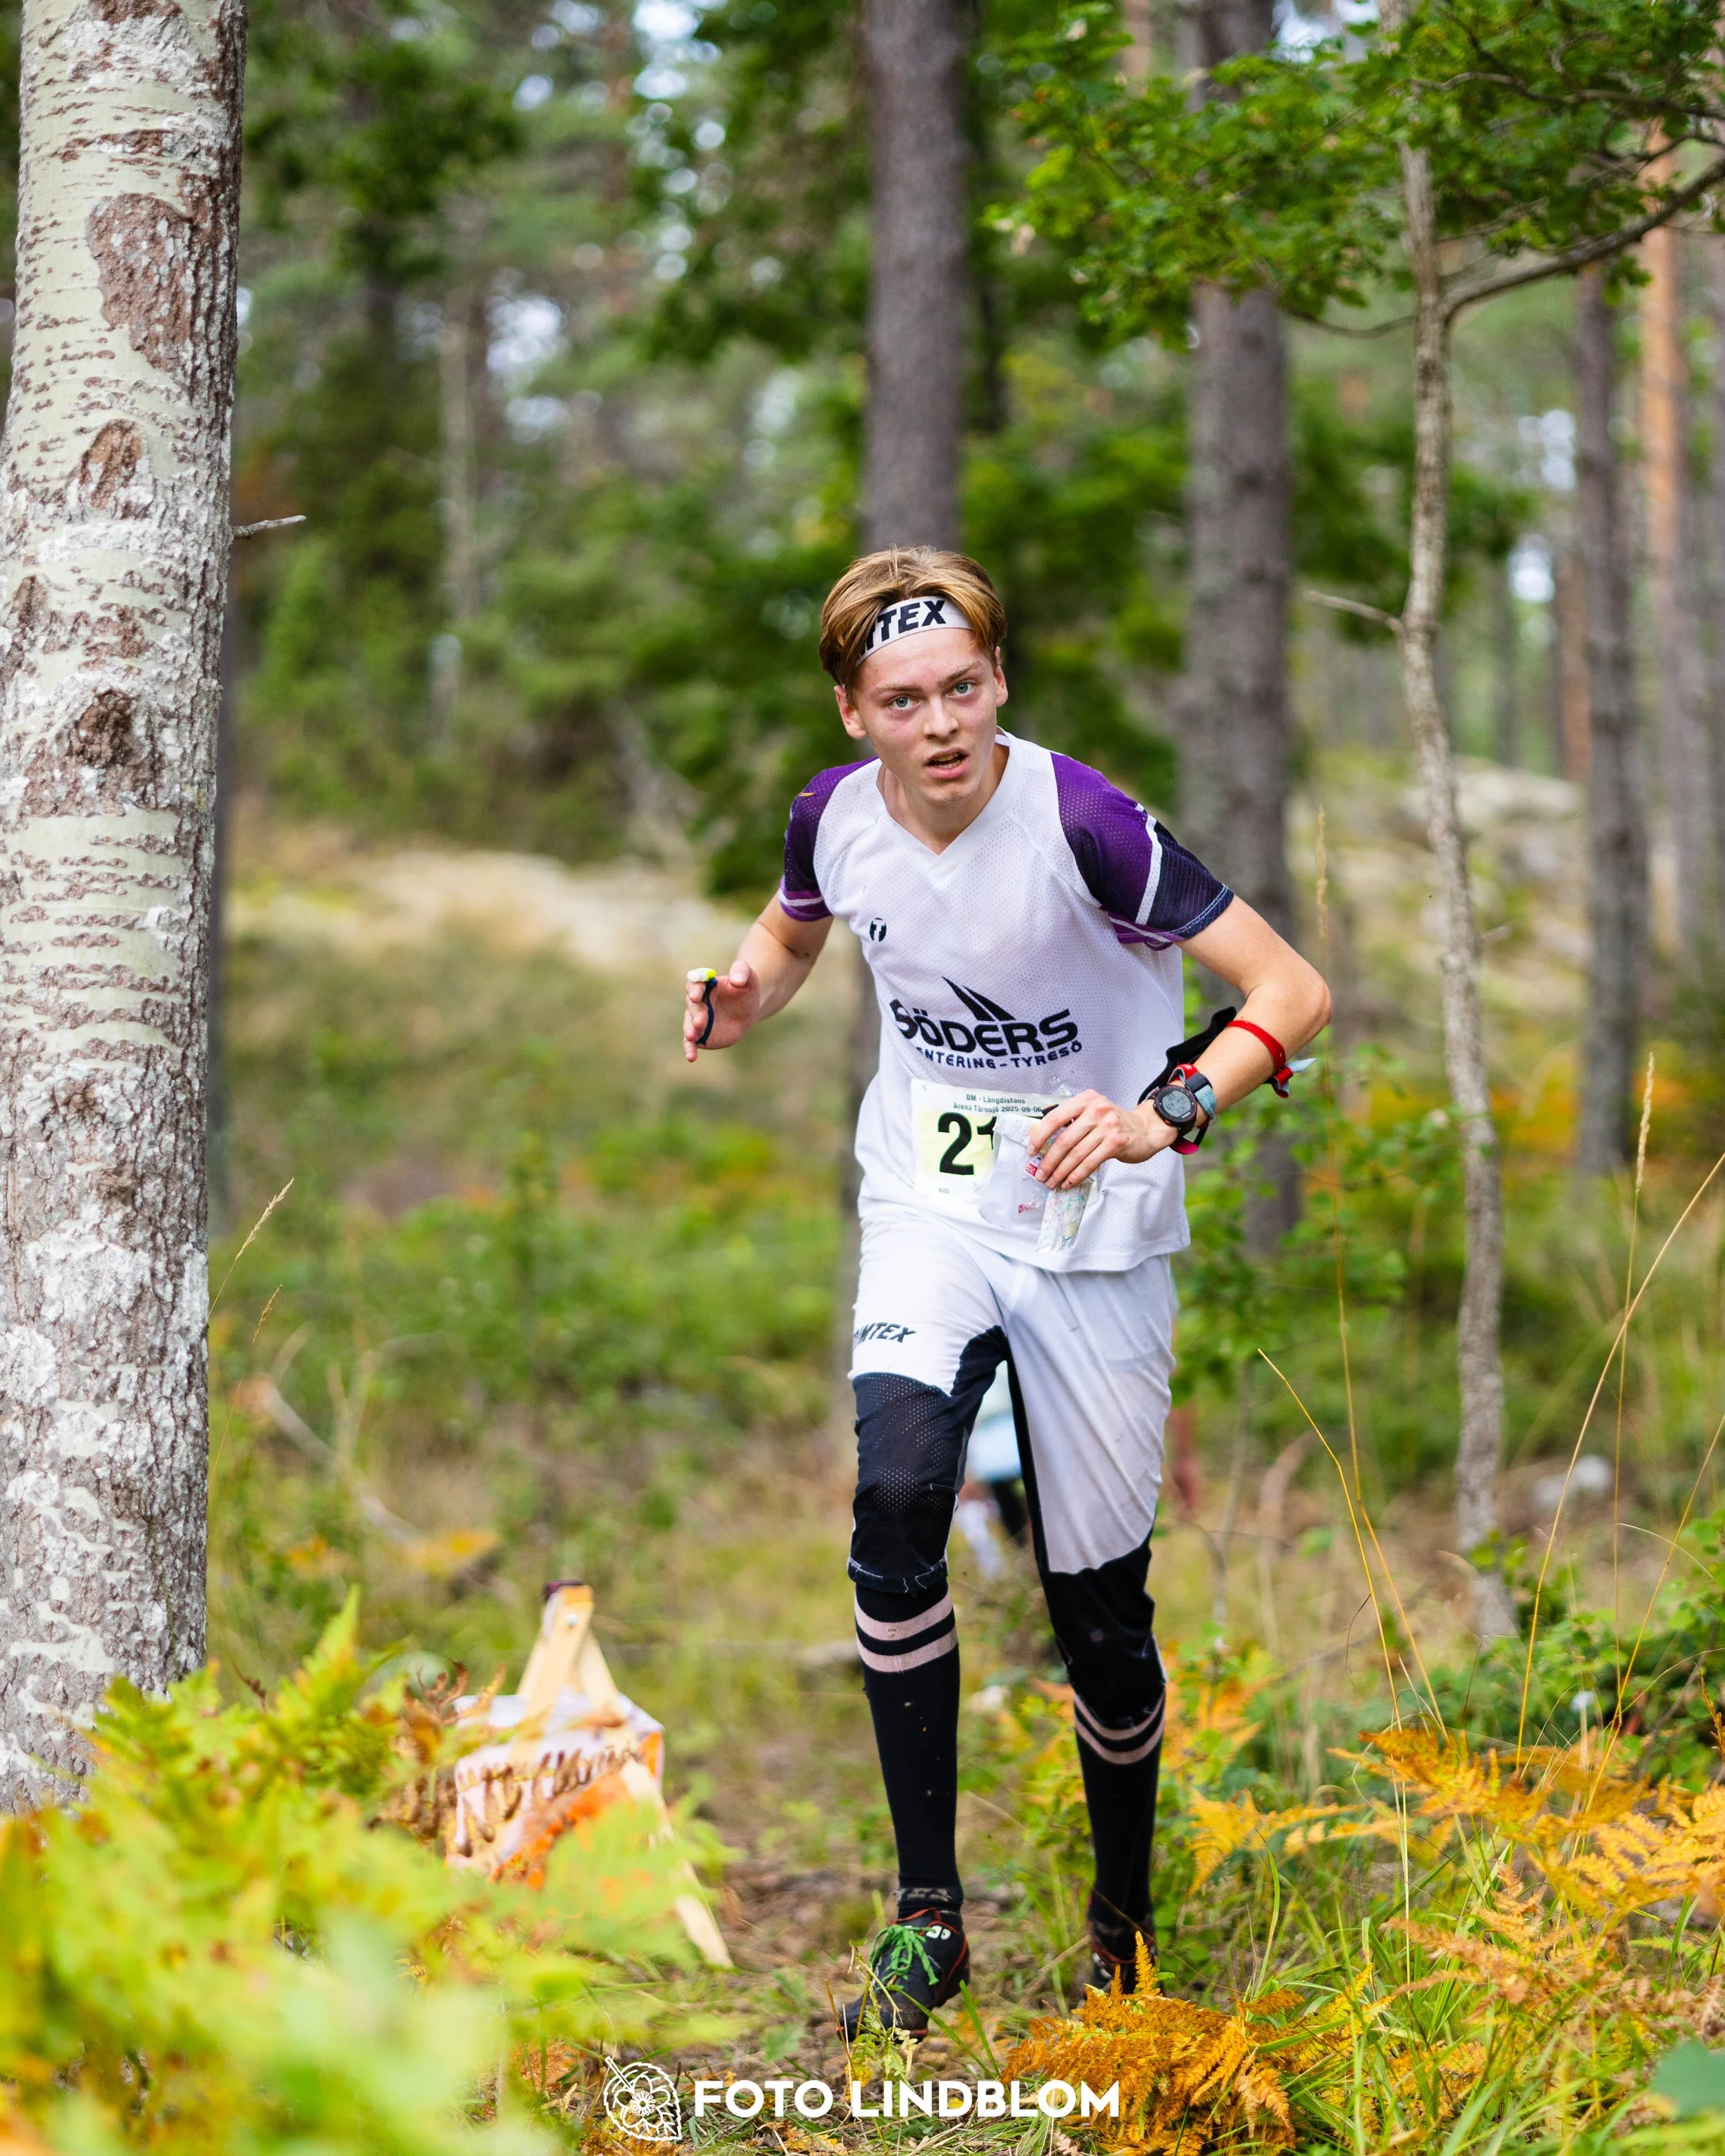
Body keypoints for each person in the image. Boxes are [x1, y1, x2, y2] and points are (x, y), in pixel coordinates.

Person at [682, 548, 1329, 2033]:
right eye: (902, 699)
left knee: (1097, 1611)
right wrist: (738, 994)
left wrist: (1165, 1107)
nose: (940, 725)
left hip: (1090, 1225)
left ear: (996, 683)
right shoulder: (830, 818)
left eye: (962, 687)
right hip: (930, 1201)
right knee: (899, 1492)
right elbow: (793, 924)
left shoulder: (1083, 821)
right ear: (853, 710)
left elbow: (1288, 989)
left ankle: (1120, 1918)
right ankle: (927, 1920)